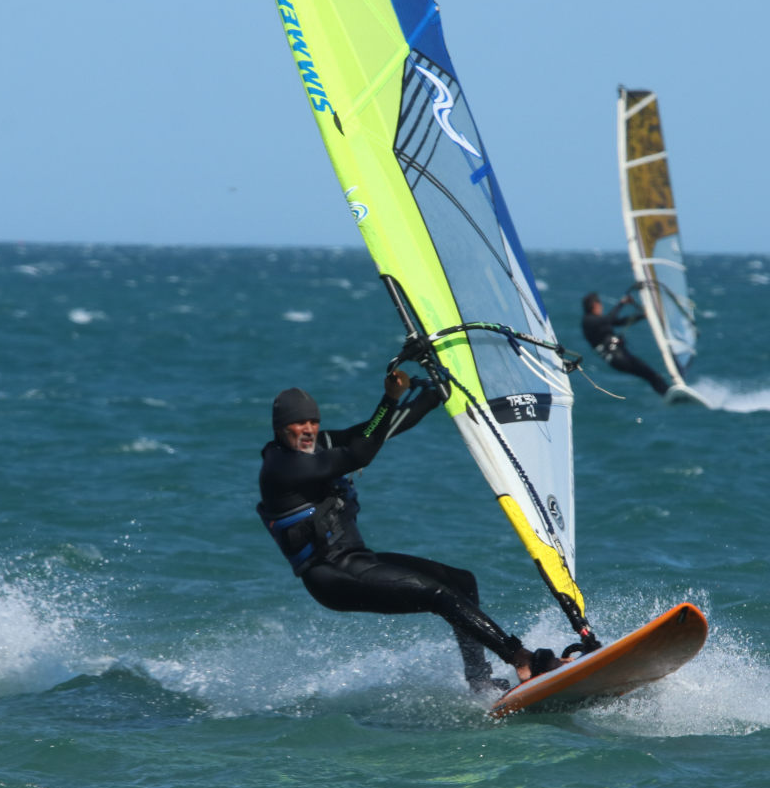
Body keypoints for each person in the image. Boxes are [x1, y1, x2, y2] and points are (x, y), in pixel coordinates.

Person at [256, 370, 564, 692]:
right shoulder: (283, 467)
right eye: (298, 423)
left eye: (313, 422)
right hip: (331, 575)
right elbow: (360, 453)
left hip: (358, 559)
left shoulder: (316, 446)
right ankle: (520, 658)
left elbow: (377, 431)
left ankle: (480, 680)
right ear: (280, 428)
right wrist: (390, 398)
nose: (308, 429)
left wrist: (430, 396)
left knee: (461, 582)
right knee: (438, 596)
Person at [581, 291, 671, 396]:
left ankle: (667, 393)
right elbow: (610, 319)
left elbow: (620, 321)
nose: (601, 307)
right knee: (649, 373)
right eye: (599, 304)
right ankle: (668, 392)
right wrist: (621, 303)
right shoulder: (588, 320)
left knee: (649, 374)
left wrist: (642, 316)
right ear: (595, 305)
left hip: (620, 355)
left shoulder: (598, 320)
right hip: (617, 358)